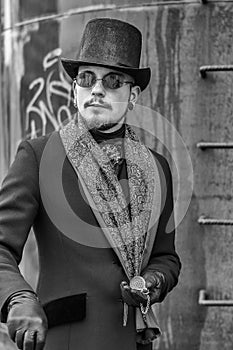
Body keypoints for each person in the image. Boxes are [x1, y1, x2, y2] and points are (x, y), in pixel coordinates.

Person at [0, 17, 181, 350]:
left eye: (113, 80)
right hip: (66, 340)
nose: (97, 89)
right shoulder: (38, 156)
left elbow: (166, 258)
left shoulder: (157, 168)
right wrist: (18, 296)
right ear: (74, 91)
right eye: (86, 78)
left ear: (133, 94)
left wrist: (155, 281)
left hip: (133, 343)